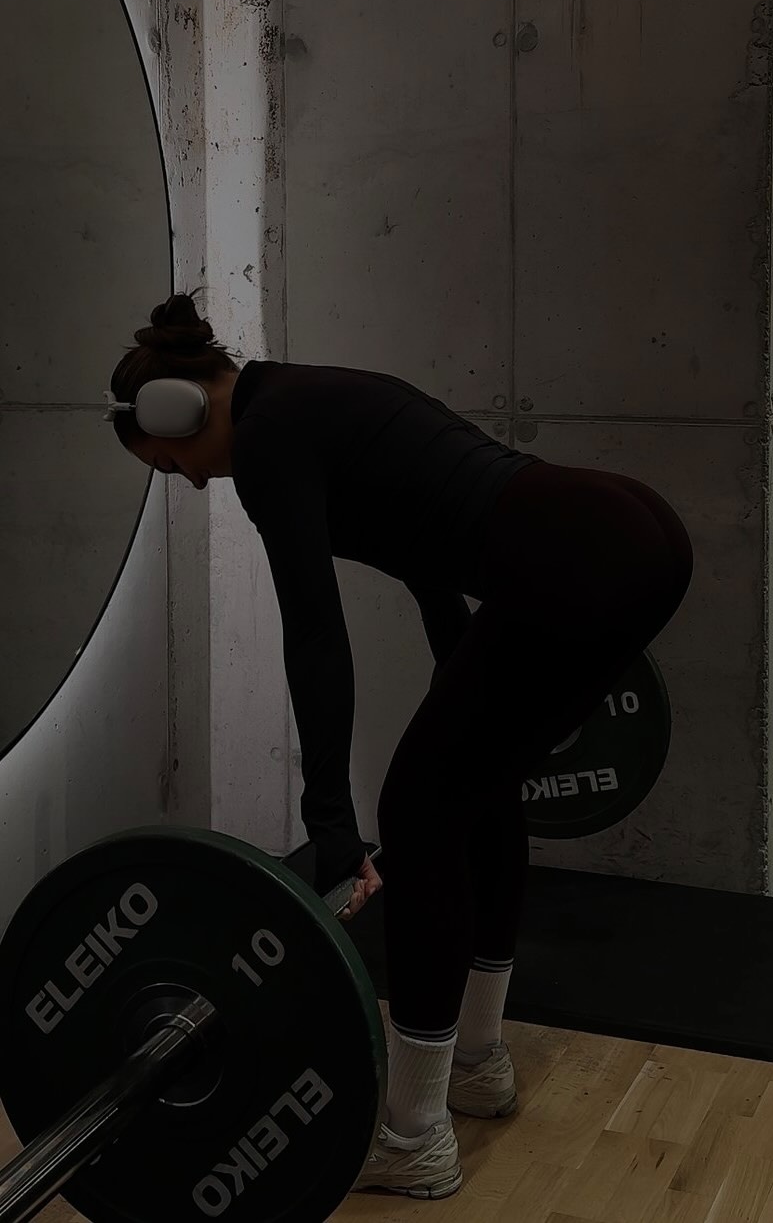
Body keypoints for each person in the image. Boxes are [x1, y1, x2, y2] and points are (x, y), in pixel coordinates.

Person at [107, 290, 693, 1200]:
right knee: (476, 788)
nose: (186, 479)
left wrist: (331, 819)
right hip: (628, 536)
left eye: (172, 459)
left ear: (176, 407)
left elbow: (314, 631)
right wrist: (452, 660)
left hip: (573, 553)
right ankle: (480, 1062)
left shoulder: (268, 439)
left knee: (417, 816)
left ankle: (416, 1136)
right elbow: (429, 536)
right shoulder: (312, 396)